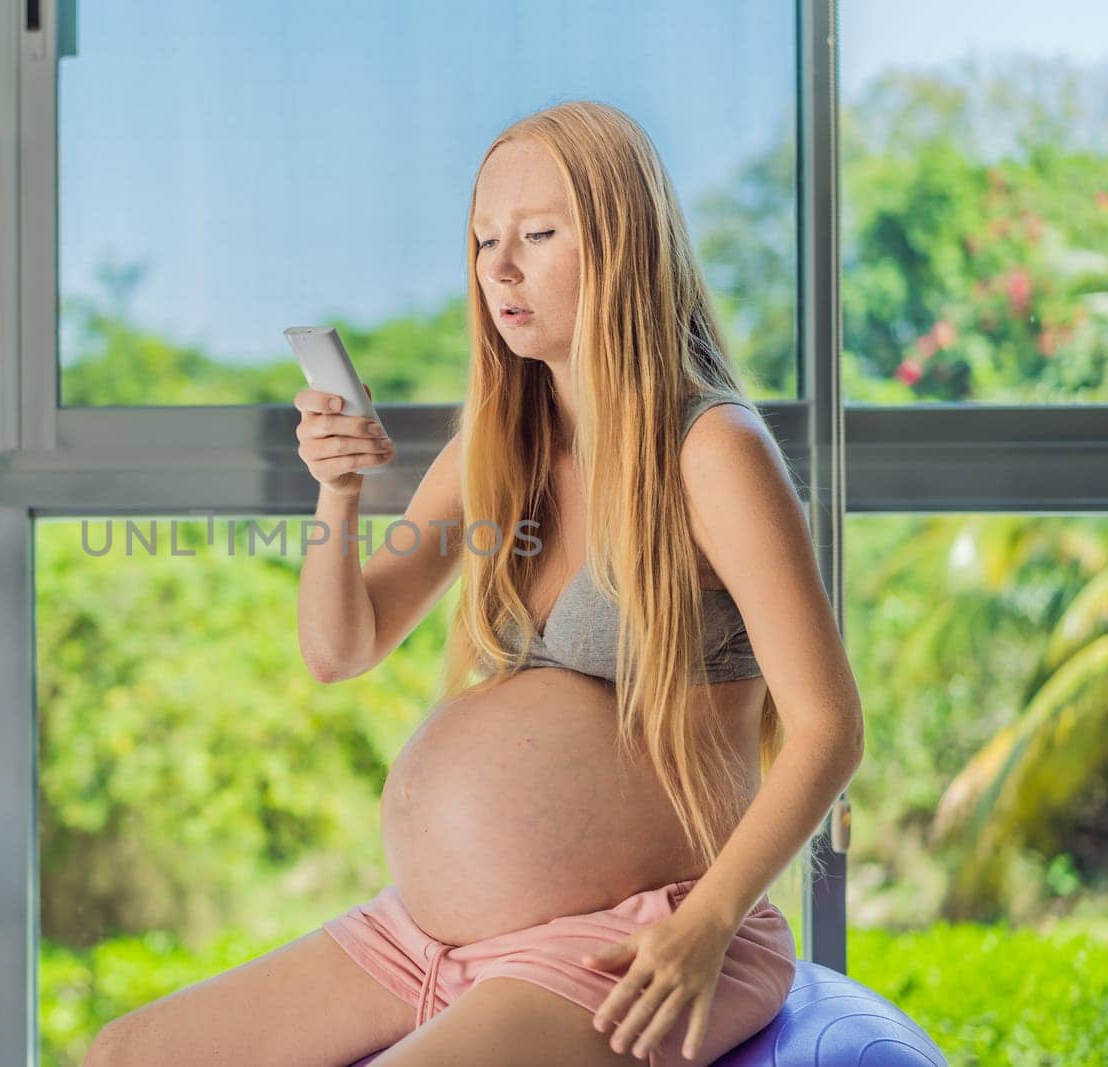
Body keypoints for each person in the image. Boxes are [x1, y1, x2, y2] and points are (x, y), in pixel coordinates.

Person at [85, 100, 864, 1067]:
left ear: (625, 243)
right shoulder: (502, 440)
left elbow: (829, 727)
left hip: (630, 939)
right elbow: (341, 648)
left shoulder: (711, 451)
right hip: (428, 936)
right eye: (485, 239)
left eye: (538, 235)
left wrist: (704, 926)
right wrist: (337, 491)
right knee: (123, 1053)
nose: (500, 268)